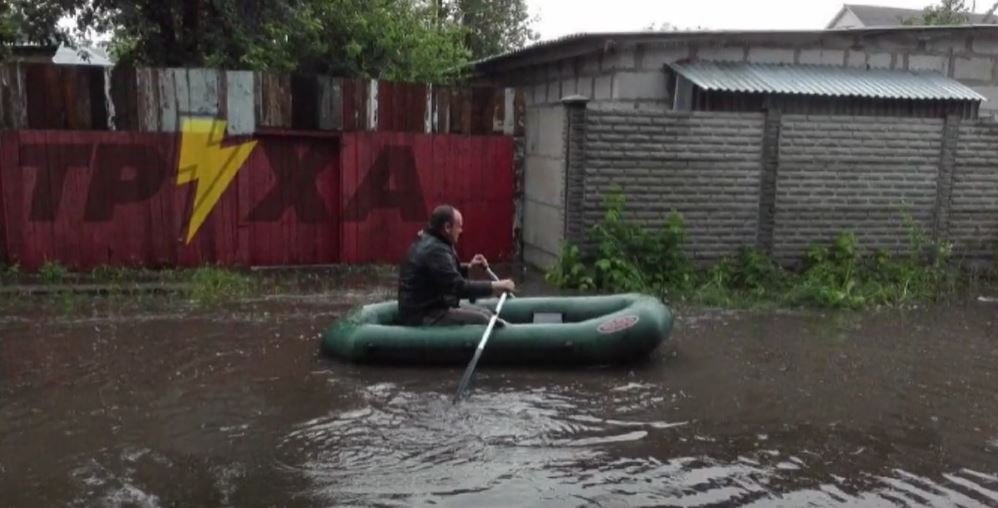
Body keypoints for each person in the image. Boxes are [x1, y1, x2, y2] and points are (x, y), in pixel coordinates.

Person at [397, 204, 516, 326]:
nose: (461, 231)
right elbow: (457, 287)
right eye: (459, 226)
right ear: (447, 227)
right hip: (423, 315)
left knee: (485, 312)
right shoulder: (434, 250)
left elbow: (443, 275)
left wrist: (469, 268)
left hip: (431, 307)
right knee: (482, 319)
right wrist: (495, 286)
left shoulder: (431, 241)